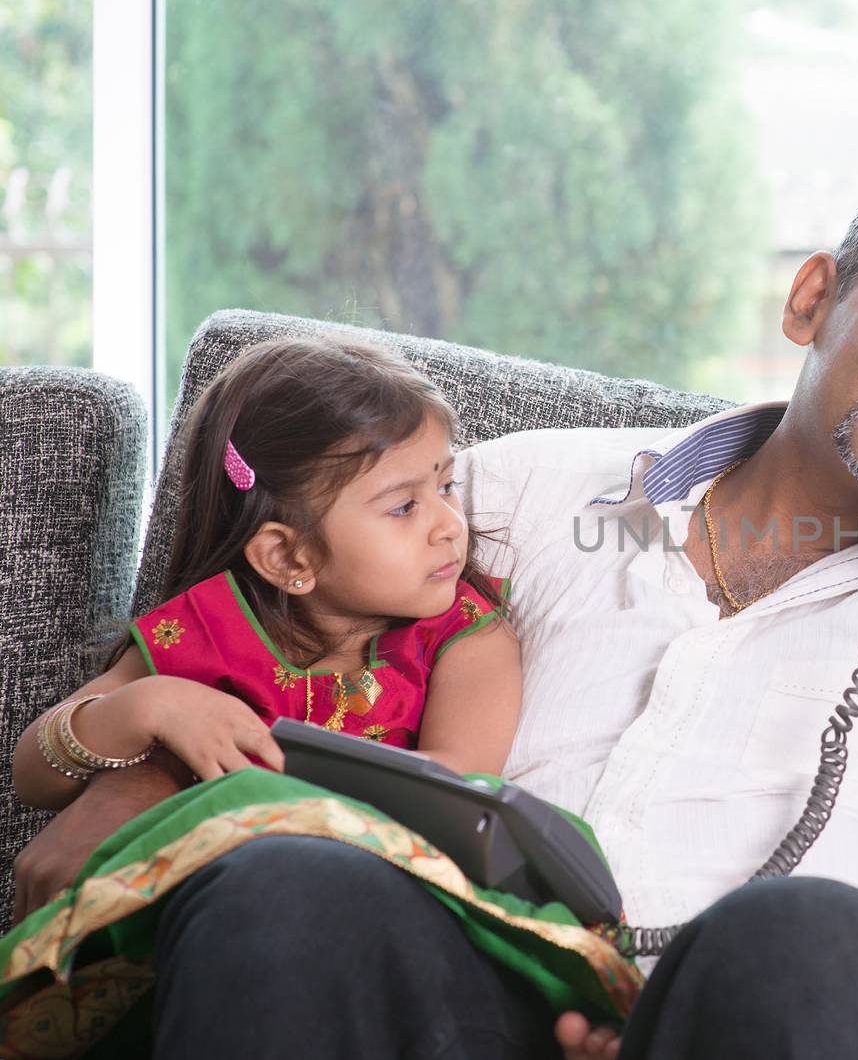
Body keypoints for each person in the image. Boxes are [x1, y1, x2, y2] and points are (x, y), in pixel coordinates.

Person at [9, 147, 858, 1059]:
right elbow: (296, 590)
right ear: (814, 296)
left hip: (779, 1015)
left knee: (806, 932)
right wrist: (156, 779)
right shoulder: (532, 487)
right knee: (289, 887)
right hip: (481, 1002)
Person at [10, 337, 521, 821]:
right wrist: (150, 705)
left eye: (447, 485)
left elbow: (460, 794)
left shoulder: (464, 634)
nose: (452, 525)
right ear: (286, 558)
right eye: (404, 506)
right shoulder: (207, 630)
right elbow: (32, 774)